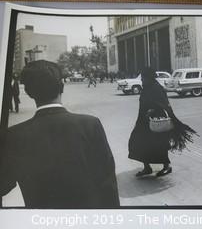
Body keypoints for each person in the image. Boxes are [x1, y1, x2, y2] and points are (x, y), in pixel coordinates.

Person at [0, 60, 119, 209]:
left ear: (29, 93)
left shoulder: (14, 135)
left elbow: (3, 185)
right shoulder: (90, 125)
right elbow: (108, 184)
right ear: (62, 87)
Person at [128, 67, 197, 177]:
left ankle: (167, 166)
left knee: (159, 144)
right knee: (138, 142)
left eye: (143, 78)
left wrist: (153, 110)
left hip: (156, 121)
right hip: (143, 121)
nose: (141, 80)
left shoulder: (156, 88)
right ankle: (147, 167)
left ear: (149, 78)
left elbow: (163, 104)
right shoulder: (146, 87)